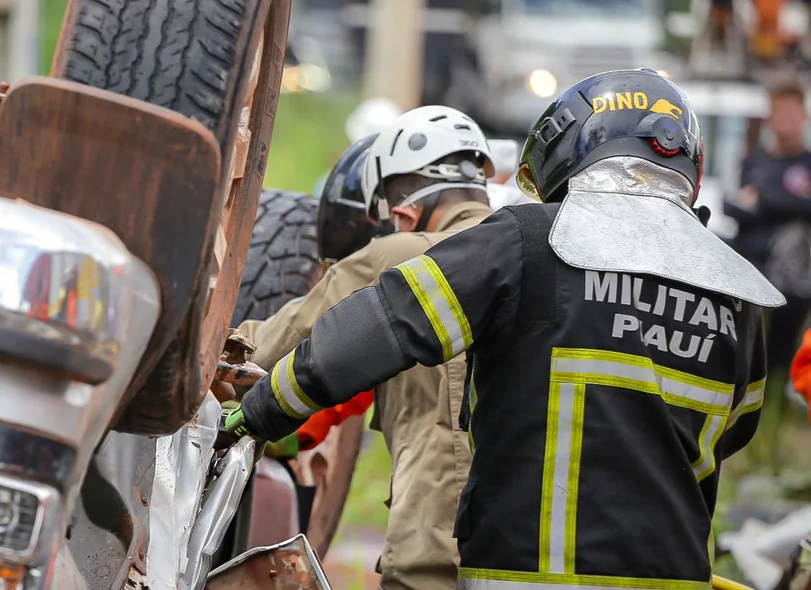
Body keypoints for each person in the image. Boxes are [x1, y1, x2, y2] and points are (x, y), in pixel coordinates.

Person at [223, 68, 786, 588]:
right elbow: (735, 431)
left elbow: (385, 321)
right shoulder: (737, 294)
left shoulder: (527, 240)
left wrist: (258, 411)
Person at [238, 104, 495, 590]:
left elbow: (266, 347)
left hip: (433, 553)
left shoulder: (400, 256)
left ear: (403, 210)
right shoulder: (530, 255)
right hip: (525, 556)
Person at [725, 79, 811, 372]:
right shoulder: (753, 161)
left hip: (795, 282)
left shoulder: (807, 163)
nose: (785, 119)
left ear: (804, 115)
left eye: (792, 111)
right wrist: (789, 202)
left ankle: (778, 410)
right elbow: (732, 206)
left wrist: (764, 199)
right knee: (745, 352)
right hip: (750, 271)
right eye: (779, 111)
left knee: (782, 356)